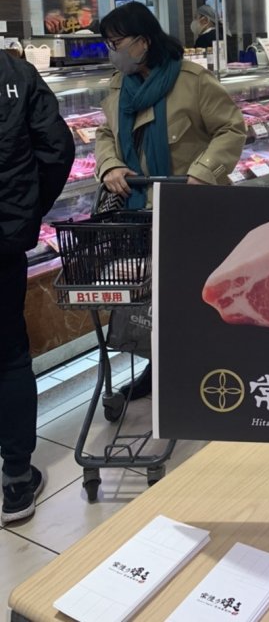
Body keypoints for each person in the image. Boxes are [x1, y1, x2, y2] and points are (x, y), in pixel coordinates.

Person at [95, 2, 247, 397]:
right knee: (152, 299)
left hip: (191, 209)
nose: (112, 52)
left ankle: (208, 371)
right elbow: (105, 133)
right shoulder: (119, 85)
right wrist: (110, 165)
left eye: (117, 43)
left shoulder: (192, 80)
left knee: (194, 294)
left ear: (143, 41)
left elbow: (231, 128)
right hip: (138, 211)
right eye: (108, 44)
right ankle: (159, 369)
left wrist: (203, 171)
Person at [0, 51, 74, 524]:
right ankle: (15, 478)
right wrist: (27, 211)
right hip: (3, 240)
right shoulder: (15, 73)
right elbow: (56, 148)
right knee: (8, 356)